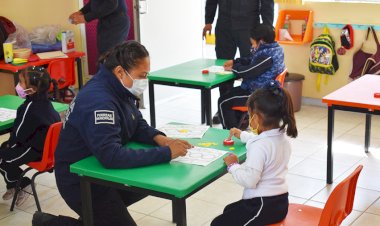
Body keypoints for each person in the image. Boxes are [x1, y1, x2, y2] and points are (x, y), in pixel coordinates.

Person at [32, 41, 192, 226]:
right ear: (119, 71)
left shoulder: (117, 87)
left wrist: (160, 139)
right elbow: (110, 155)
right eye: (142, 75)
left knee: (149, 185)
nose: (145, 81)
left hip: (101, 173)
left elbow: (135, 122)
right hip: (81, 180)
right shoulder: (99, 101)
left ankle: (97, 218)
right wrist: (166, 153)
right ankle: (48, 223)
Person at [211, 82, 298, 226]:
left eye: (249, 115)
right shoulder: (282, 138)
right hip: (280, 201)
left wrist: (233, 166)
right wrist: (243, 135)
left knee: (217, 224)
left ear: (256, 119)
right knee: (228, 210)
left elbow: (250, 181)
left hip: (262, 205)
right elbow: (263, 143)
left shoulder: (260, 146)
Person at [202, 0, 274, 124]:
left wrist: (267, 28)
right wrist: (209, 20)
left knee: (250, 68)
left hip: (249, 26)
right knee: (223, 67)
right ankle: (225, 108)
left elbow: (267, 3)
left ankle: (248, 111)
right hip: (224, 25)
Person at [0, 66, 60, 207]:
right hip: (47, 150)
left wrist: (9, 146)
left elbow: (18, 135)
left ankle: (21, 184)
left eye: (21, 82)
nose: (18, 86)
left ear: (31, 90)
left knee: (3, 156)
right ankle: (13, 184)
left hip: (35, 151)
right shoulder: (47, 103)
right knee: (4, 148)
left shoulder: (28, 108)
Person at [218, 24, 285, 130]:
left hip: (260, 95)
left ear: (261, 41)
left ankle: (230, 134)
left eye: (253, 43)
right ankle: (239, 126)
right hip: (259, 89)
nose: (252, 46)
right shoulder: (274, 49)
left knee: (223, 101)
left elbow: (249, 71)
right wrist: (235, 61)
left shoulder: (267, 56)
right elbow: (252, 61)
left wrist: (234, 68)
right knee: (228, 95)